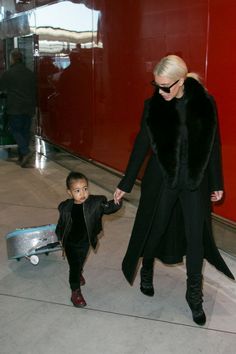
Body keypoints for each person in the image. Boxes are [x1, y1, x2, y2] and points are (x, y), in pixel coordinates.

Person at [114, 54, 234, 326]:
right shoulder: (153, 106)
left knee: (196, 239)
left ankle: (194, 295)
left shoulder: (204, 103)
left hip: (195, 181)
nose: (161, 91)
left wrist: (216, 183)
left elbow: (213, 145)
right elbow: (141, 147)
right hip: (163, 180)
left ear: (181, 81)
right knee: (155, 228)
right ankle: (146, 269)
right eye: (157, 85)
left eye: (166, 86)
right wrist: (125, 183)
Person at [55, 171, 122, 308]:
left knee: (80, 261)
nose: (83, 193)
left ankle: (79, 272)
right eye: (77, 190)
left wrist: (117, 202)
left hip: (85, 241)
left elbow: (108, 208)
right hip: (70, 243)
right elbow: (62, 222)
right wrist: (59, 236)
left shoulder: (95, 203)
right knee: (74, 266)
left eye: (85, 189)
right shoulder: (66, 207)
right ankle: (75, 292)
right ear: (69, 192)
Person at [0, 49, 36, 167]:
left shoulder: (9, 73)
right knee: (25, 132)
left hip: (15, 108)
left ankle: (25, 152)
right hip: (28, 108)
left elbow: (1, 87)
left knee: (15, 130)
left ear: (12, 59)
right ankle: (23, 158)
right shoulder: (30, 73)